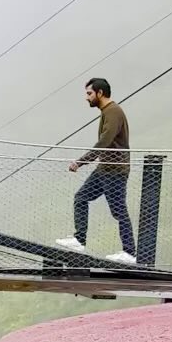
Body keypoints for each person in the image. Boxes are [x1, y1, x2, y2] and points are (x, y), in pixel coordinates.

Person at [55, 78, 136, 265]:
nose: (87, 98)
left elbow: (104, 143)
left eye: (89, 93)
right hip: (104, 169)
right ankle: (79, 240)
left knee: (118, 210)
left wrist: (80, 162)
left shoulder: (113, 112)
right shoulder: (107, 112)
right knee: (81, 197)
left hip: (115, 171)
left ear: (100, 93)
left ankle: (130, 253)